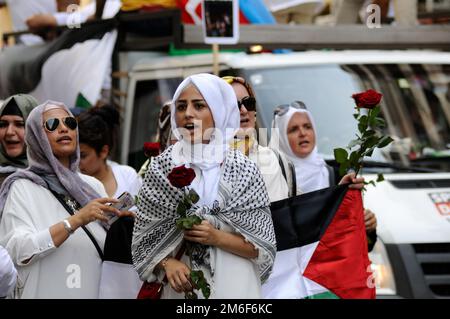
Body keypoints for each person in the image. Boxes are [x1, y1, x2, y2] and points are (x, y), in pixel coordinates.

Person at [132, 73, 276, 299]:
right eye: (181, 106)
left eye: (199, 105)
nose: (188, 113)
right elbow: (143, 242)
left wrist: (215, 236)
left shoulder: (244, 169)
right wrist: (167, 264)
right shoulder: (161, 168)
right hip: (183, 291)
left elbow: (261, 246)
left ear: (218, 111)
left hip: (237, 288)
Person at [0, 100, 123, 298]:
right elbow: (19, 251)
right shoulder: (22, 187)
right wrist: (75, 221)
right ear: (36, 137)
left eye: (69, 123)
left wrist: (121, 224)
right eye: (52, 125)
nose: (64, 128)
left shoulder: (92, 186)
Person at [269, 102, 377, 241]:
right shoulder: (273, 182)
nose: (303, 133)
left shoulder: (339, 176)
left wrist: (368, 227)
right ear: (281, 138)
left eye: (307, 127)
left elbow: (358, 242)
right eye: (293, 129)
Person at [222, 76, 291, 202]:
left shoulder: (271, 157)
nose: (243, 110)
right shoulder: (205, 163)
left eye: (248, 103)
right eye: (233, 105)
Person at [78, 105, 142, 199]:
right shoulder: (74, 184)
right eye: (74, 155)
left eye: (83, 156)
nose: (77, 161)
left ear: (103, 151)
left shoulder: (128, 176)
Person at [0, 94, 39, 185]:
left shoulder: (55, 176)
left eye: (20, 124)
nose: (9, 132)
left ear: (36, 130)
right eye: (3, 124)